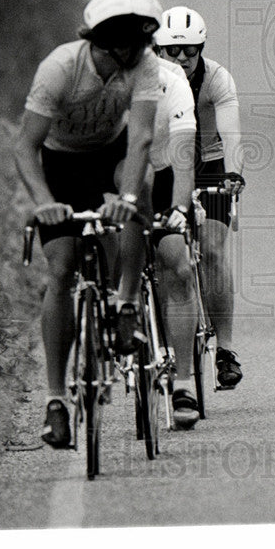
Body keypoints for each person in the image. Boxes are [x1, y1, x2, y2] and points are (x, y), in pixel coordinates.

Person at [14, 0, 164, 448]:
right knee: (60, 269)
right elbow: (25, 147)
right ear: (106, 41)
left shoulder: (144, 65)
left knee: (145, 188)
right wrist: (43, 203)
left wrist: (126, 194)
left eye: (144, 42)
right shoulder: (60, 68)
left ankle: (125, 302)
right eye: (131, 44)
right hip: (60, 165)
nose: (140, 51)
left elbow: (139, 139)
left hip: (111, 155)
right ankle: (56, 399)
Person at [110, 45, 205, 430]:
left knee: (180, 266)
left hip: (164, 174)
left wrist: (181, 210)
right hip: (117, 170)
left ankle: (183, 385)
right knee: (112, 253)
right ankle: (114, 316)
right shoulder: (106, 85)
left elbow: (184, 159)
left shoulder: (173, 81)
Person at [153, 6, 246, 390]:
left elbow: (232, 133)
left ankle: (225, 349)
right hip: (166, 164)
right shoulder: (150, 80)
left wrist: (233, 174)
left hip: (209, 165)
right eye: (171, 52)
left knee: (212, 247)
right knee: (162, 253)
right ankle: (166, 343)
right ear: (157, 51)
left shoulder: (217, 79)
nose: (181, 59)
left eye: (190, 50)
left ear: (201, 48)